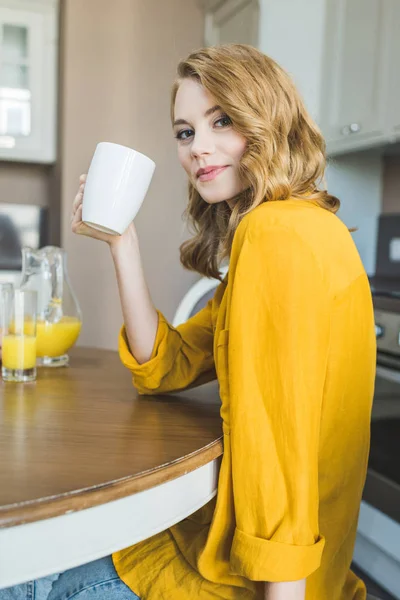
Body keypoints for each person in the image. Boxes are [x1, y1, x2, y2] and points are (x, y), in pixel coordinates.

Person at [1, 44, 376, 600]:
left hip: (244, 582)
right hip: (267, 562)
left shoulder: (275, 237)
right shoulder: (303, 226)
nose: (198, 148)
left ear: (267, 117)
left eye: (221, 121)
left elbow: (279, 451)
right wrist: (121, 241)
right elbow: (164, 368)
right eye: (184, 132)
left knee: (25, 568)